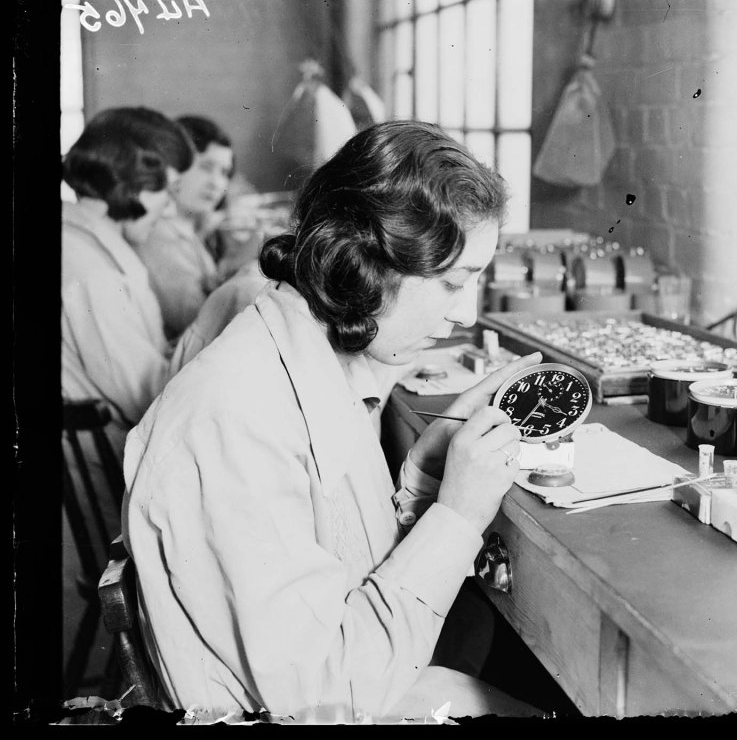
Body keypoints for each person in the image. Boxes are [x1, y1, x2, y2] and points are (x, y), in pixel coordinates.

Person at [121, 121, 545, 723]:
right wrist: (460, 514)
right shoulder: (237, 417)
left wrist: (423, 480)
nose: (464, 314)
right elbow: (330, 692)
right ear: (366, 264)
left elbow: (344, 559)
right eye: (454, 283)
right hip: (307, 709)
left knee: (482, 629)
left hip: (337, 685)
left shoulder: (305, 358)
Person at [62, 106, 194, 474]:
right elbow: (148, 398)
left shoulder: (79, 240)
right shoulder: (92, 271)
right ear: (129, 182)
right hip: (100, 474)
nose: (169, 210)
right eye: (166, 192)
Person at [130, 115, 234, 342]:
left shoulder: (185, 226)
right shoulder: (157, 233)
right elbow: (197, 321)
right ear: (174, 166)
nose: (216, 183)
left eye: (225, 173)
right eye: (206, 167)